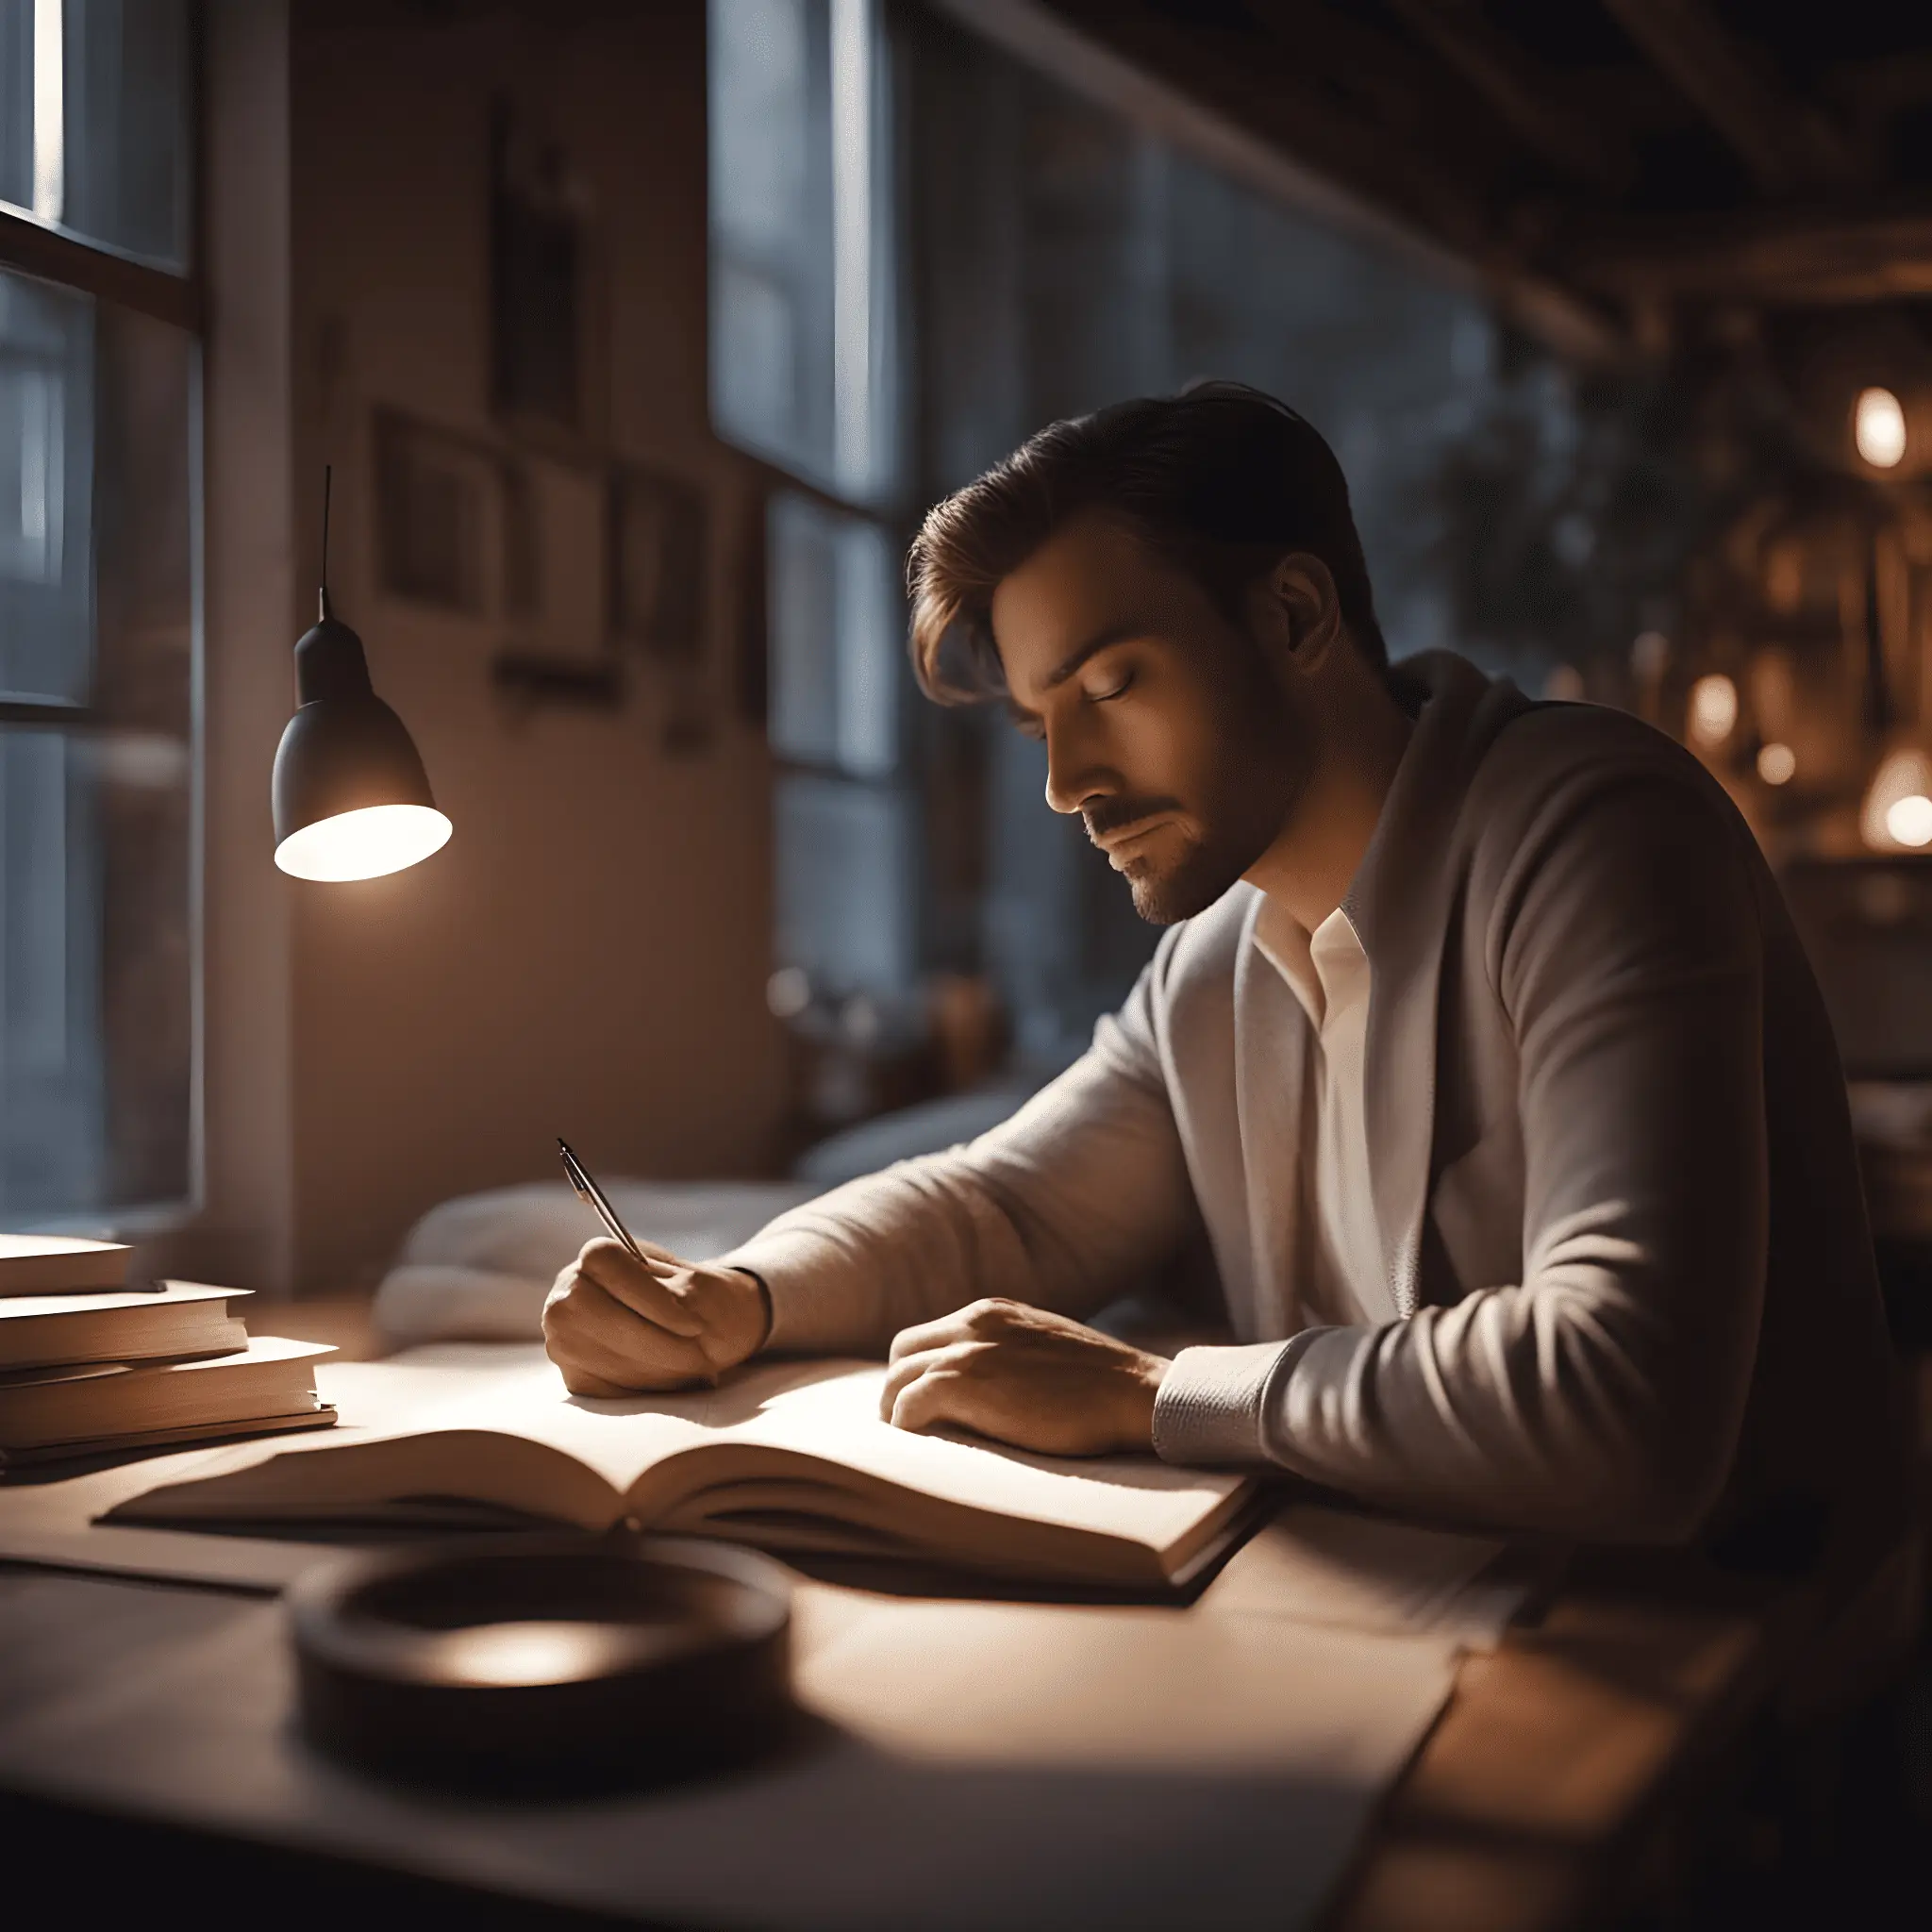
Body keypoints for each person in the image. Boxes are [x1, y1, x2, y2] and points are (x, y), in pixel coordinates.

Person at [544, 382, 1905, 1555]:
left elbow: (1626, 1404)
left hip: (1733, 1678)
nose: (1067, 783)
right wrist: (746, 1294)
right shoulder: (1225, 952)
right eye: (1041, 723)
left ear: (1296, 616)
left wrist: (1152, 1393)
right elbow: (1011, 1211)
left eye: (1114, 685)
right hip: (1427, 1592)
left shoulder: (1594, 830)